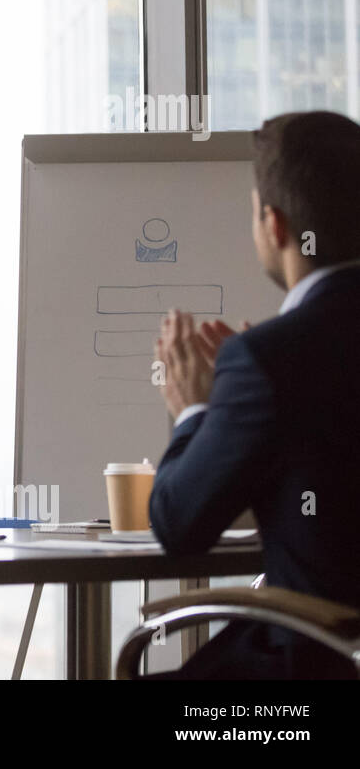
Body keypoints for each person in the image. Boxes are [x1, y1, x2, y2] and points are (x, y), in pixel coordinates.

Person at [150, 110, 360, 680]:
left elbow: (179, 525)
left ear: (275, 225)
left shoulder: (269, 361)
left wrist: (195, 409)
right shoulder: (268, 364)